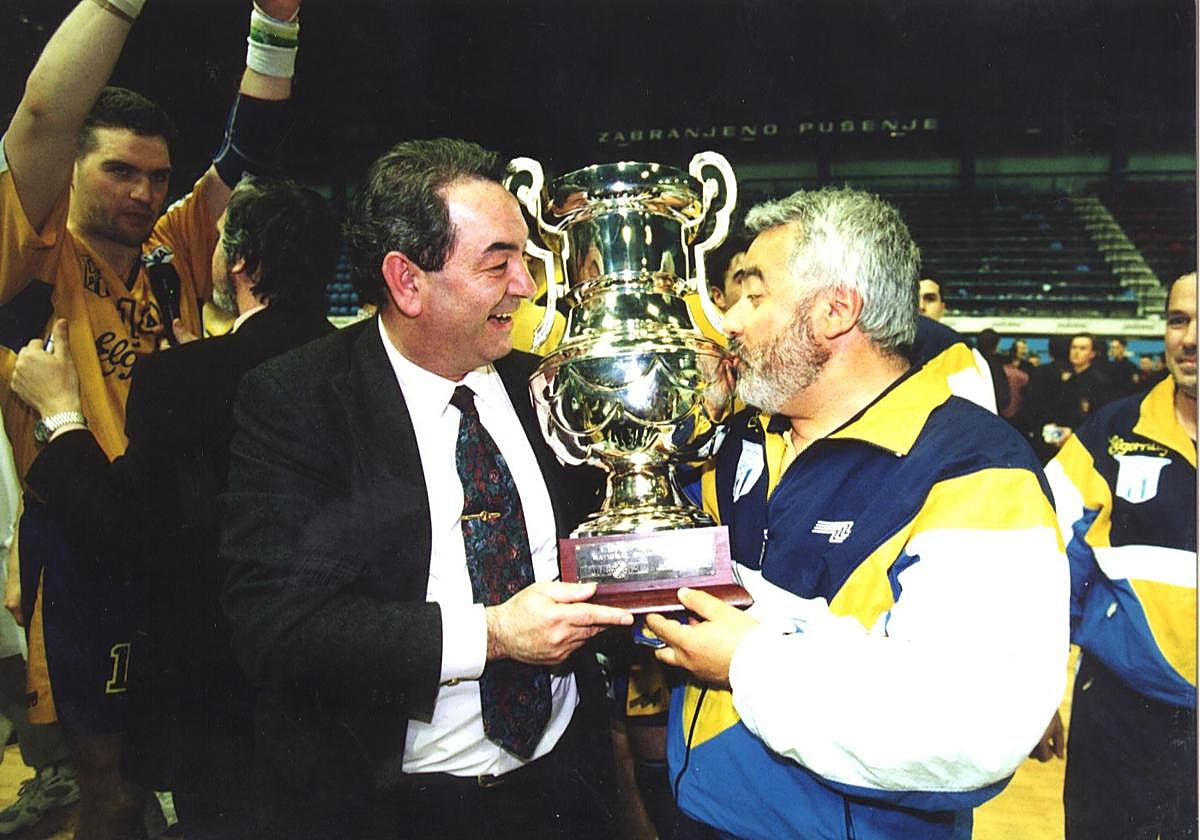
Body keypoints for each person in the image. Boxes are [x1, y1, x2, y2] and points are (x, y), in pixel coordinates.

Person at [219, 138, 634, 839]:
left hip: (566, 780)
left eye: (526, 259)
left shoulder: (548, 386)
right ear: (407, 281)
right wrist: (493, 636)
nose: (526, 284)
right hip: (397, 806)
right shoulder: (301, 402)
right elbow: (277, 626)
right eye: (497, 262)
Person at [644, 187, 1068, 840]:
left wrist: (746, 663)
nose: (729, 320)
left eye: (754, 295)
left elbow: (968, 730)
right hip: (700, 816)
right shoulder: (740, 438)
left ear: (835, 311)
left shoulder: (975, 470)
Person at [0, 1, 303, 835]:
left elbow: (251, 148)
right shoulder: (34, 260)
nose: (143, 192)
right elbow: (44, 112)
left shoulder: (170, 249)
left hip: (176, 537)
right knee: (115, 788)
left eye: (157, 177)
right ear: (69, 171)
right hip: (86, 548)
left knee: (198, 764)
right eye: (119, 172)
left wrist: (275, 21)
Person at [1038, 272, 1196, 840]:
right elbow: (1046, 563)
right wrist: (1038, 696)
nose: (1189, 338)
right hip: (1120, 712)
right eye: (1178, 320)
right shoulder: (1112, 432)